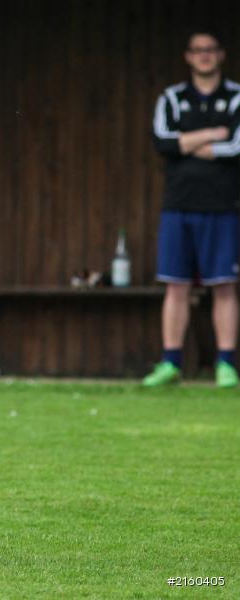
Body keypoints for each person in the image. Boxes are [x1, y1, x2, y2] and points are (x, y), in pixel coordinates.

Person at [146, 31, 240, 388]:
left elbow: (235, 146)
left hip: (221, 205)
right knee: (176, 286)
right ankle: (170, 363)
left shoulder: (235, 97)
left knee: (225, 285)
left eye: (210, 50)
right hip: (178, 204)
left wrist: (187, 142)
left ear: (220, 55)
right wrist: (210, 134)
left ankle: (226, 364)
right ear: (188, 56)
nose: (204, 56)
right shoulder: (172, 98)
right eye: (198, 51)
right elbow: (162, 141)